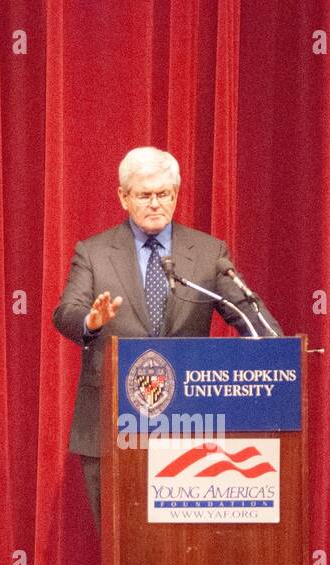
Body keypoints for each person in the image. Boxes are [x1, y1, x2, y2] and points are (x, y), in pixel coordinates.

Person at [52, 146, 283, 522]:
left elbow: (247, 313)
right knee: (121, 552)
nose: (156, 203)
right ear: (123, 197)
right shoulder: (93, 253)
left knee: (183, 559)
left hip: (189, 426)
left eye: (165, 194)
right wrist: (91, 322)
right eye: (145, 195)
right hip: (112, 426)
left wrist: (279, 350)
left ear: (175, 195)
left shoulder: (209, 253)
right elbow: (66, 313)